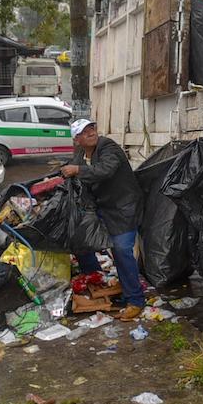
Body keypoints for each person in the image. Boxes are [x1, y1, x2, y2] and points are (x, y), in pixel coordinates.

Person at [61, 119, 145, 321]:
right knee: (80, 238)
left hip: (123, 207)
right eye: (85, 131)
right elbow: (79, 182)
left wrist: (77, 170)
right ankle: (96, 277)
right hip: (102, 207)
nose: (91, 133)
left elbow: (105, 170)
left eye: (92, 129)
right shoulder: (80, 154)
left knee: (121, 249)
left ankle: (135, 300)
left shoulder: (108, 146)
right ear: (77, 139)